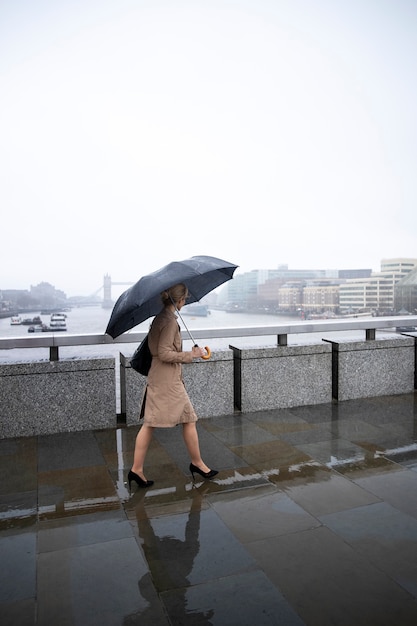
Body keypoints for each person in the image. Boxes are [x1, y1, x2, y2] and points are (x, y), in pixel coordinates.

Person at [128, 283, 218, 489]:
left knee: (175, 419)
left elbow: (160, 350)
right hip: (167, 381)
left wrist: (191, 352)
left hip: (162, 377)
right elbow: (165, 352)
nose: (184, 302)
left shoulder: (160, 318)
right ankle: (195, 464)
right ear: (179, 300)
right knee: (180, 419)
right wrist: (191, 355)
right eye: (184, 299)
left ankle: (138, 469)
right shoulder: (169, 322)